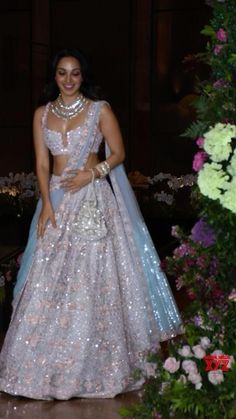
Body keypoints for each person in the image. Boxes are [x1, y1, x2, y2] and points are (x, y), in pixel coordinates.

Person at [0, 48, 182, 400]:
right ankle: (45, 365)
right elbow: (41, 163)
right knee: (48, 280)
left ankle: (98, 365)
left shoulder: (100, 110)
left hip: (93, 200)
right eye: (62, 73)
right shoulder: (41, 114)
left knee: (92, 277)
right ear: (54, 77)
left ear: (83, 76)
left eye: (75, 73)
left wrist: (91, 174)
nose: (69, 80)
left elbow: (118, 154)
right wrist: (47, 205)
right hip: (55, 201)